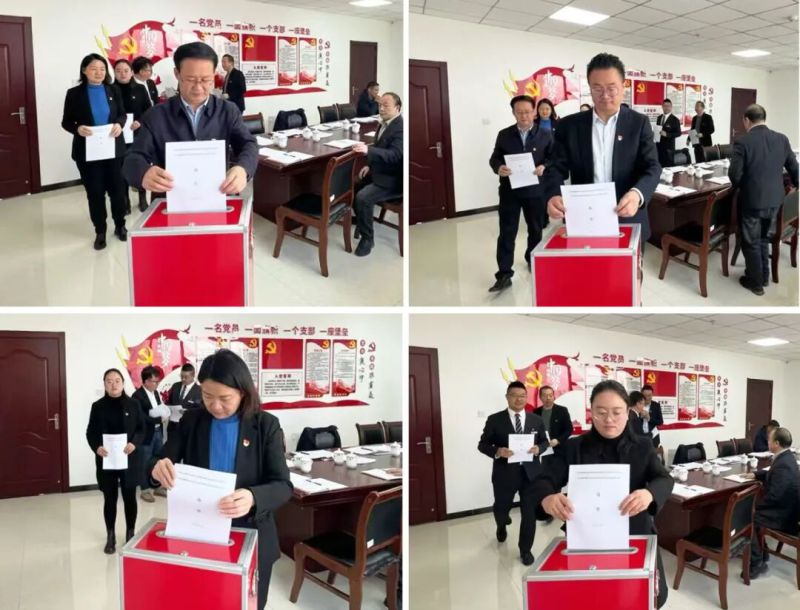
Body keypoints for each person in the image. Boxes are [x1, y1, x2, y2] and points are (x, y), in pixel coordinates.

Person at [150, 349, 292, 609]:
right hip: (201, 532)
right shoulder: (192, 421)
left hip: (252, 534)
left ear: (243, 392)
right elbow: (159, 459)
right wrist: (156, 468)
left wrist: (253, 497)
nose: (215, 406)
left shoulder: (265, 425)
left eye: (225, 398)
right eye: (207, 396)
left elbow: (283, 485)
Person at [534, 380, 673, 608]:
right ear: (591, 413)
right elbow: (543, 479)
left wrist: (649, 494)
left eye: (617, 412)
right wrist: (548, 498)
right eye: (601, 412)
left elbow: (664, 478)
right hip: (586, 539)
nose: (609, 419)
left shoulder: (643, 446)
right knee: (594, 597)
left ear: (627, 413)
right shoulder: (575, 447)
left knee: (643, 597)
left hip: (635, 537)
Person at [545, 53, 661, 244]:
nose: (605, 95)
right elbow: (555, 167)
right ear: (589, 88)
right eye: (597, 88)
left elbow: (653, 167)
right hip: (583, 219)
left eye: (611, 88)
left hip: (628, 217)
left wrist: (637, 194)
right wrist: (553, 194)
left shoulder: (638, 123)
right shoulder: (570, 126)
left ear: (623, 86)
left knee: (628, 265)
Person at [123, 42, 258, 199]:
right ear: (177, 74)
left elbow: (248, 144)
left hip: (216, 197)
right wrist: (143, 172)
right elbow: (132, 157)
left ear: (213, 75)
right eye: (190, 79)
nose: (198, 87)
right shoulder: (156, 115)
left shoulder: (227, 111)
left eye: (205, 80)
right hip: (169, 202)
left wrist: (243, 169)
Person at [728, 103, 799, 295]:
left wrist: (744, 184)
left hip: (752, 200)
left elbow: (734, 176)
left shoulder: (742, 141)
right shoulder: (782, 139)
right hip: (776, 200)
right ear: (764, 118)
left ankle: (755, 283)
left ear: (746, 120)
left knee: (750, 241)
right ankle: (764, 276)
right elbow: (794, 168)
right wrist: (797, 186)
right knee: (763, 238)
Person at [477, 381, 549, 566]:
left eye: (522, 396)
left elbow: (544, 442)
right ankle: (501, 525)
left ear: (527, 398)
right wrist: (497, 451)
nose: (519, 399)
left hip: (530, 474)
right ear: (507, 397)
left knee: (529, 513)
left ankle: (525, 550)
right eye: (514, 395)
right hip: (504, 473)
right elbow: (482, 444)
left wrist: (539, 449)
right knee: (501, 508)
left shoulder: (536, 420)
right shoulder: (495, 419)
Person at [61, 53, 128, 250]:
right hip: (88, 153)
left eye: (102, 69)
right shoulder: (74, 93)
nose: (99, 73)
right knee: (95, 192)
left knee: (117, 190)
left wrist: (119, 124)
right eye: (93, 69)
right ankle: (100, 230)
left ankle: (120, 225)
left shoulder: (113, 89)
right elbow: (66, 121)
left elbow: (122, 115)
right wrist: (77, 128)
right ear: (84, 70)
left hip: (113, 149)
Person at [487, 94, 553, 293]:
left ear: (534, 112)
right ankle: (504, 274)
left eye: (528, 112)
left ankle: (532, 259)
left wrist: (544, 166)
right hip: (510, 191)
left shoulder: (545, 134)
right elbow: (494, 158)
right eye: (520, 112)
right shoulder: (504, 134)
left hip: (535, 191)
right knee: (507, 232)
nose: (524, 116)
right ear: (513, 113)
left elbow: (554, 157)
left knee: (535, 229)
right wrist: (498, 167)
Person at [85, 368, 145, 554]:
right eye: (109, 381)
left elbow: (142, 429)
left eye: (117, 380)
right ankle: (110, 536)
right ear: (104, 384)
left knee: (129, 498)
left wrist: (134, 443)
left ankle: (130, 533)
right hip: (107, 461)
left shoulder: (133, 404)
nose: (113, 384)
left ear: (123, 383)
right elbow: (90, 432)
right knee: (109, 499)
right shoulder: (97, 406)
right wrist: (97, 447)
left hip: (129, 459)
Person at [741, 427, 800, 579]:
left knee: (747, 518)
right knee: (752, 514)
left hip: (784, 516)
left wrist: (754, 507)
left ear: (777, 443)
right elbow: (773, 473)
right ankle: (763, 552)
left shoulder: (784, 463)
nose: (767, 441)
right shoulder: (786, 457)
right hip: (787, 509)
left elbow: (775, 496)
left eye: (770, 440)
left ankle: (757, 562)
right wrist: (755, 474)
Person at [351, 92, 403, 257]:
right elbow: (381, 147)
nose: (381, 108)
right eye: (380, 105)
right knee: (353, 186)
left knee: (363, 197)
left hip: (393, 180)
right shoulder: (384, 123)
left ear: (397, 108)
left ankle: (368, 239)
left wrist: (369, 151)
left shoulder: (400, 128)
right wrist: (369, 165)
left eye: (386, 106)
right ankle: (362, 219)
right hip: (380, 172)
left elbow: (395, 155)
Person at [113, 59, 151, 213]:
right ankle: (125, 201)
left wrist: (140, 121)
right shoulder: (110, 90)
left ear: (131, 72)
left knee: (139, 166)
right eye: (118, 71)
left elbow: (148, 110)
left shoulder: (140, 89)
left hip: (137, 133)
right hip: (117, 135)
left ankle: (142, 197)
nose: (122, 74)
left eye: (125, 70)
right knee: (120, 169)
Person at [132, 365, 168, 502]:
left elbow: (158, 409)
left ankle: (157, 486)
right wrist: (158, 419)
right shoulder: (137, 396)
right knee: (144, 461)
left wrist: (164, 413)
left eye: (157, 381)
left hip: (158, 431)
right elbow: (141, 418)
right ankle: (145, 489)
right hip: (146, 434)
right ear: (146, 381)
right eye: (154, 381)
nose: (156, 384)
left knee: (158, 460)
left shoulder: (156, 393)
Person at [165, 363, 203, 439]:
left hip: (189, 429)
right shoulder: (175, 386)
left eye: (186, 377)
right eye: (181, 376)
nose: (183, 379)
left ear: (193, 376)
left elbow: (201, 410)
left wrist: (188, 412)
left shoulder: (199, 390)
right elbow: (169, 402)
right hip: (173, 427)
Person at [532, 385, 572, 455]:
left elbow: (569, 429)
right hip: (540, 449)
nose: (548, 398)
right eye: (545, 395)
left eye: (550, 395)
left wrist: (558, 440)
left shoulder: (562, 411)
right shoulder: (536, 412)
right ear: (540, 397)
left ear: (554, 396)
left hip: (557, 449)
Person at [655, 98, 681, 168]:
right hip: (659, 147)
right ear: (662, 107)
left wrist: (667, 134)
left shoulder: (675, 119)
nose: (666, 108)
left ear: (671, 107)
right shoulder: (659, 118)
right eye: (664, 106)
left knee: (668, 167)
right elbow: (658, 130)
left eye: (668, 106)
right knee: (659, 166)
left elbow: (678, 133)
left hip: (669, 148)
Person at [640, 384, 664, 449]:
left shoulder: (656, 405)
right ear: (641, 395)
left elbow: (660, 422)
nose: (647, 398)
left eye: (649, 395)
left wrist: (649, 418)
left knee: (653, 454)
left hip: (653, 436)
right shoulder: (637, 405)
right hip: (640, 436)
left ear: (652, 395)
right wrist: (640, 417)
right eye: (645, 395)